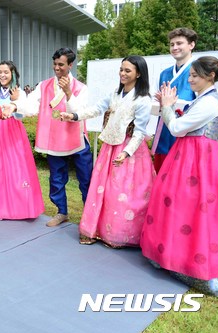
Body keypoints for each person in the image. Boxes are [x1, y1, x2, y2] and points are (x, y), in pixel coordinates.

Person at [141, 56, 218, 297]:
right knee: (181, 205)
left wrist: (167, 107)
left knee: (193, 208)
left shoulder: (210, 102)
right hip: (191, 157)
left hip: (197, 160)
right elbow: (187, 115)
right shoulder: (204, 99)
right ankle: (171, 254)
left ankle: (188, 260)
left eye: (195, 76)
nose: (190, 79)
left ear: (210, 77)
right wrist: (171, 103)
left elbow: (177, 128)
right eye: (190, 75)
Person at [60, 55, 154, 248]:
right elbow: (95, 109)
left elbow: (140, 132)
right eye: (121, 69)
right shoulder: (115, 94)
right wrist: (74, 115)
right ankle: (98, 229)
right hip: (110, 147)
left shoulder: (143, 100)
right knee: (103, 189)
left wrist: (126, 153)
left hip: (130, 152)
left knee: (122, 192)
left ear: (139, 74)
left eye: (128, 70)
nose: (122, 73)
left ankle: (121, 234)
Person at [19, 47, 93, 227]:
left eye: (61, 64)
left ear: (70, 65)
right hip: (53, 139)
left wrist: (68, 92)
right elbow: (30, 108)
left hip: (76, 139)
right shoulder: (43, 86)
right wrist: (16, 103)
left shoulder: (81, 88)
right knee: (56, 178)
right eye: (55, 64)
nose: (57, 68)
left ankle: (90, 215)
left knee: (86, 178)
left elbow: (78, 112)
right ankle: (62, 212)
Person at [0, 61, 44, 221]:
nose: (2, 75)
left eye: (6, 72)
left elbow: (24, 115)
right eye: (0, 72)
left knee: (15, 169)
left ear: (12, 73)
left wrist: (16, 104)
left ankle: (19, 207)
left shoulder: (18, 92)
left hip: (12, 132)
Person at [151, 28, 197, 173]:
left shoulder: (199, 72)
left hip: (186, 137)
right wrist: (161, 103)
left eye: (179, 43)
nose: (175, 47)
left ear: (191, 45)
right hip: (164, 133)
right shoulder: (164, 74)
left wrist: (171, 103)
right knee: (160, 180)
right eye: (172, 44)